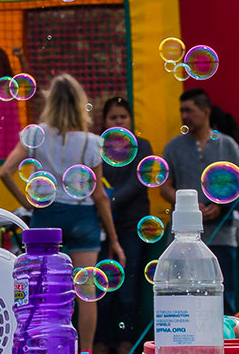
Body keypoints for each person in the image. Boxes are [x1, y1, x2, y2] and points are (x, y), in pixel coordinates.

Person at [1, 74, 125, 354]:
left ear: (50, 102)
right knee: (87, 293)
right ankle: (87, 351)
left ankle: (40, 345)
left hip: (46, 216)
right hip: (82, 217)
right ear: (80, 103)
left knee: (39, 288)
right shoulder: (90, 142)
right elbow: (99, 195)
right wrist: (114, 240)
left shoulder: (35, 134)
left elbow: (5, 171)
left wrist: (28, 202)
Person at [160, 87, 239, 316]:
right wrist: (188, 205)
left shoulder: (226, 144)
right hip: (182, 236)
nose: (184, 116)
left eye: (189, 110)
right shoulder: (174, 147)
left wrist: (220, 206)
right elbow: (165, 187)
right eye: (182, 111)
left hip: (222, 233)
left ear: (206, 111)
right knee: (183, 294)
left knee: (223, 293)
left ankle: (225, 341)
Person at [94, 97, 153, 354]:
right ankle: (100, 341)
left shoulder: (142, 146)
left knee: (128, 288)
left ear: (130, 119)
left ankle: (127, 342)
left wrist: (108, 201)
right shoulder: (95, 148)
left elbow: (138, 183)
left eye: (123, 117)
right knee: (100, 288)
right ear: (104, 122)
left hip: (131, 227)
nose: (118, 121)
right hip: (101, 228)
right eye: (113, 117)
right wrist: (104, 206)